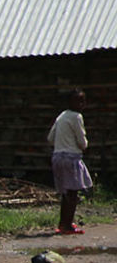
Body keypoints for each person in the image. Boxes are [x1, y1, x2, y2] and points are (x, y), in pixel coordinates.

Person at [50, 88, 91, 235]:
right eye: (78, 100)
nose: (82, 103)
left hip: (57, 157)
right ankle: (67, 226)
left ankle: (63, 223)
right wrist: (84, 145)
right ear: (69, 102)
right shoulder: (76, 117)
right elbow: (82, 141)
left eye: (83, 100)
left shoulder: (62, 116)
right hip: (70, 158)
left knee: (66, 193)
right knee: (73, 193)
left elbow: (50, 137)